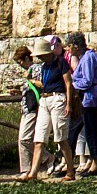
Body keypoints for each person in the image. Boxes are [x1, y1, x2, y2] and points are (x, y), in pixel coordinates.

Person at [29, 35, 72, 181]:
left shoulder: (60, 62)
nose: (39, 58)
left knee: (60, 138)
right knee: (39, 138)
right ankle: (33, 173)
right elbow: (45, 84)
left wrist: (69, 103)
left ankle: (70, 171)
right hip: (45, 99)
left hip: (58, 98)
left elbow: (68, 83)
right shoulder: (44, 67)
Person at [66, 32, 97, 177]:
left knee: (91, 131)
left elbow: (88, 81)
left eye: (70, 46)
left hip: (89, 99)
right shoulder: (84, 57)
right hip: (84, 99)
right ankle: (68, 163)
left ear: (76, 46)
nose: (68, 49)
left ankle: (95, 163)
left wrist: (72, 84)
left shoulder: (89, 57)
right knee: (74, 130)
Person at [9, 44, 41, 179]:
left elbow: (40, 86)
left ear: (27, 58)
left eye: (21, 61)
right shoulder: (28, 71)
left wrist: (30, 81)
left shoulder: (35, 69)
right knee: (22, 139)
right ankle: (25, 169)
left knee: (25, 139)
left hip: (33, 107)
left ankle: (47, 159)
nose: (20, 65)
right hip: (26, 108)